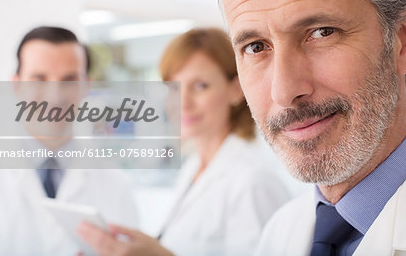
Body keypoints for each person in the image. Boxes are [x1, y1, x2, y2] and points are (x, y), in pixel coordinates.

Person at [210, 0, 406, 255]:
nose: (284, 92)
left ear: (403, 37)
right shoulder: (281, 232)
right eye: (256, 47)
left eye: (321, 32)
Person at [77, 28, 291, 256]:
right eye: (173, 87)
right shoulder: (194, 168)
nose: (183, 101)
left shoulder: (252, 182)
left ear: (236, 90)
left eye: (200, 86)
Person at [0, 26, 139, 255]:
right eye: (39, 79)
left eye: (69, 80)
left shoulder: (115, 183)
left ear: (86, 86)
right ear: (16, 84)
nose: (55, 96)